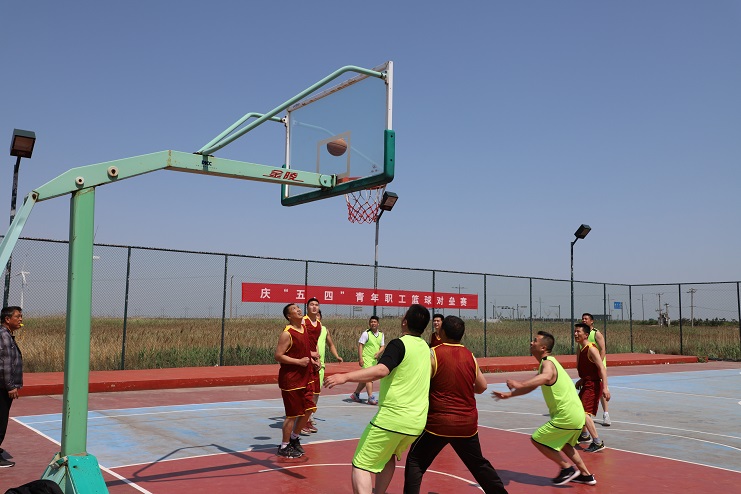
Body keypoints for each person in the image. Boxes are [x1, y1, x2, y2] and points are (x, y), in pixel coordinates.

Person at [325, 304, 431, 494]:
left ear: (404, 321)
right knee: (387, 455)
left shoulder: (399, 344)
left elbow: (381, 370)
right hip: (417, 422)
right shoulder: (427, 348)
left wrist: (345, 377)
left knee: (361, 465)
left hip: (393, 419)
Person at [405, 315, 507, 494]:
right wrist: (463, 387)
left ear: (442, 332)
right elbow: (482, 387)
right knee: (478, 464)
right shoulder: (469, 355)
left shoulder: (433, 354)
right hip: (466, 424)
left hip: (439, 423)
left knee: (416, 461)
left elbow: (420, 384)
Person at [492, 331, 597, 486]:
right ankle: (586, 475)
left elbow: (546, 377)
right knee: (565, 444)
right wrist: (510, 394)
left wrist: (519, 384)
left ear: (543, 347)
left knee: (538, 439)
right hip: (576, 414)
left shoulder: (548, 363)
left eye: (535, 341)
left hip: (567, 415)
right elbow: (534, 384)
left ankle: (567, 469)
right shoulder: (547, 363)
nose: (531, 343)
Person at [274, 303, 315, 458]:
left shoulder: (304, 328)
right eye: (294, 309)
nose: (298, 309)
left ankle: (294, 438)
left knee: (309, 409)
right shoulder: (287, 333)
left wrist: (312, 359)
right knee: (292, 414)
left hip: (306, 377)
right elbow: (278, 356)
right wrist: (299, 362)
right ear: (289, 316)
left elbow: (303, 350)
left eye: (298, 307)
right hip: (291, 380)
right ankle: (284, 446)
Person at [304, 310, 343, 435]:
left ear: (320, 317)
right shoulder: (305, 327)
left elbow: (331, 344)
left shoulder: (324, 329)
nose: (316, 317)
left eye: (318, 315)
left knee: (316, 392)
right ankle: (304, 418)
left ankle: (310, 415)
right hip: (308, 363)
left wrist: (336, 356)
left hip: (320, 366)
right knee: (308, 391)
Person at [574, 323, 610, 452]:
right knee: (577, 409)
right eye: (575, 331)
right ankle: (584, 435)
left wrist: (605, 388)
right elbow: (591, 369)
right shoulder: (582, 349)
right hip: (587, 383)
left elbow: (602, 368)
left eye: (578, 332)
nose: (575, 334)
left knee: (583, 413)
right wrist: (582, 379)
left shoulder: (591, 349)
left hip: (593, 385)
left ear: (586, 335)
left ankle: (597, 442)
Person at [0, 306, 23, 468]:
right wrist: (10, 386)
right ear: (7, 319)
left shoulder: (6, 334)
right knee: (1, 420)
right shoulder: (4, 335)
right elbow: (5, 363)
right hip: (3, 388)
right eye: (18, 316)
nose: (20, 319)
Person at [582, 313, 611, 426]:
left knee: (602, 388)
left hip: (598, 366)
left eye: (586, 319)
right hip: (588, 367)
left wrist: (599, 363)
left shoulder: (596, 334)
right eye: (583, 319)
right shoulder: (582, 334)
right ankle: (586, 414)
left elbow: (603, 349)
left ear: (592, 321)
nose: (584, 320)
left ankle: (606, 414)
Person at [349, 316, 385, 405]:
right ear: (369, 324)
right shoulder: (366, 334)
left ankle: (356, 394)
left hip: (374, 360)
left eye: (375, 322)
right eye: (371, 322)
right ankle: (370, 397)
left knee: (365, 378)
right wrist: (361, 358)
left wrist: (378, 353)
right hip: (366, 359)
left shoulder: (381, 334)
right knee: (369, 377)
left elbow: (382, 346)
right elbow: (360, 345)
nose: (373, 323)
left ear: (378, 323)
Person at [301, 298, 323, 433]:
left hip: (314, 361)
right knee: (307, 392)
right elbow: (300, 343)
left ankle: (308, 418)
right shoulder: (303, 321)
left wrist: (318, 359)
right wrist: (310, 357)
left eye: (316, 305)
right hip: (305, 360)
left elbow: (315, 344)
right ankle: (302, 423)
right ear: (307, 307)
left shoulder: (319, 324)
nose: (314, 307)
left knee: (316, 391)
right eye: (311, 305)